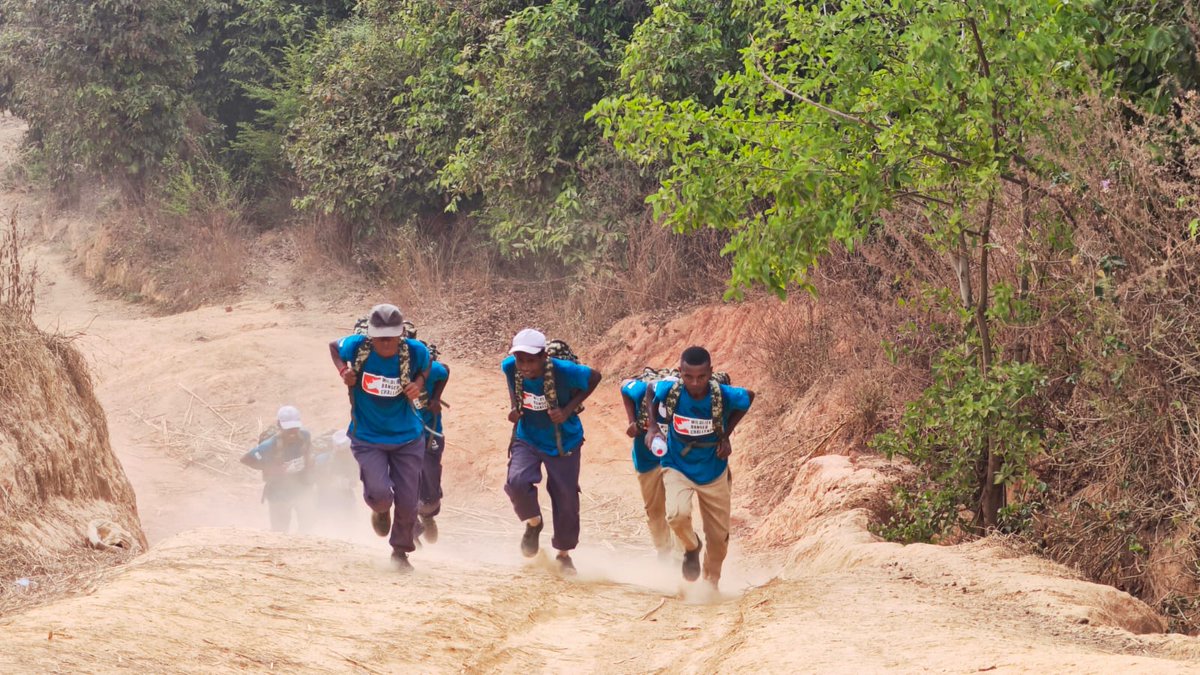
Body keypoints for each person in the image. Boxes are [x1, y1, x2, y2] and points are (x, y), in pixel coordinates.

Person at [329, 303, 431, 572]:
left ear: (400, 335)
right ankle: (381, 509)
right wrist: (343, 372)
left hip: (408, 437)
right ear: (371, 335)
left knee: (409, 501)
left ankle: (400, 552)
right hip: (367, 436)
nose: (385, 344)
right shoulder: (356, 346)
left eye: (391, 338)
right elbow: (333, 346)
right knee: (380, 494)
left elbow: (427, 366)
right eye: (380, 338)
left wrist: (418, 384)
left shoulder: (415, 351)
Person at [644, 347, 754, 589]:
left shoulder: (722, 395)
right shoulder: (671, 390)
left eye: (702, 376)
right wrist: (653, 427)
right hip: (676, 465)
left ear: (710, 373)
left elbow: (748, 396)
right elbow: (651, 389)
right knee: (676, 514)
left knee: (718, 539)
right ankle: (692, 547)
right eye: (689, 377)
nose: (695, 383)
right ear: (680, 373)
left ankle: (711, 583)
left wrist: (726, 435)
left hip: (713, 470)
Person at [502, 328, 601, 574]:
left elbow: (595, 377)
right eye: (520, 359)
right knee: (516, 481)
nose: (525, 366)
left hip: (563, 442)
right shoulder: (510, 367)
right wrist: (515, 407)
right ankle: (534, 523)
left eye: (531, 360)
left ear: (544, 356)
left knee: (565, 497)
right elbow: (514, 385)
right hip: (528, 437)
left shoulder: (565, 371)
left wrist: (567, 410)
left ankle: (564, 554)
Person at [619, 370, 675, 559]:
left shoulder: (687, 397)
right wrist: (632, 421)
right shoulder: (641, 391)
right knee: (655, 510)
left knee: (679, 509)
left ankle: (683, 553)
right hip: (647, 461)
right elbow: (624, 384)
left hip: (677, 461)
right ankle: (664, 552)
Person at [241, 405, 314, 533]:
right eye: (288, 428)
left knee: (308, 524)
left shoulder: (305, 436)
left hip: (301, 486)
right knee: (280, 531)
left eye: (295, 427)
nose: (292, 431)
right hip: (278, 492)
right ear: (280, 425)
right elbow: (247, 459)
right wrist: (274, 469)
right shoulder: (269, 444)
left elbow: (308, 451)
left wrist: (308, 462)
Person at [416, 345, 449, 545]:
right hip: (400, 433)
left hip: (429, 432)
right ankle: (409, 529)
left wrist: (436, 397)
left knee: (429, 475)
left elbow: (445, 370)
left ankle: (427, 514)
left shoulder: (430, 370)